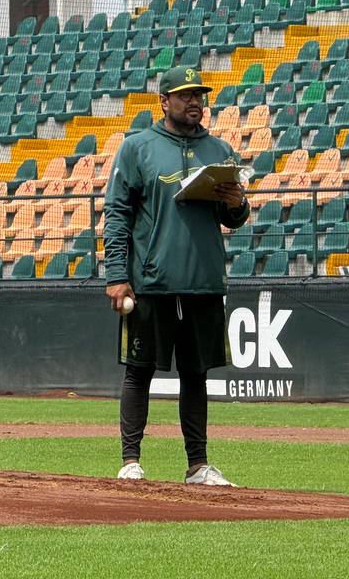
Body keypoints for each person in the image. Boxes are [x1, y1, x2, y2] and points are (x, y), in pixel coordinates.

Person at [102, 65, 250, 487]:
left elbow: (233, 218)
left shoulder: (219, 150)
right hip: (150, 280)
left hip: (202, 279)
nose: (194, 102)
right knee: (139, 370)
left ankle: (198, 465)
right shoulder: (138, 147)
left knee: (196, 373)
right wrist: (116, 274)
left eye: (199, 95)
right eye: (185, 95)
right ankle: (131, 460)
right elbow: (117, 214)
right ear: (164, 101)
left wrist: (237, 201)